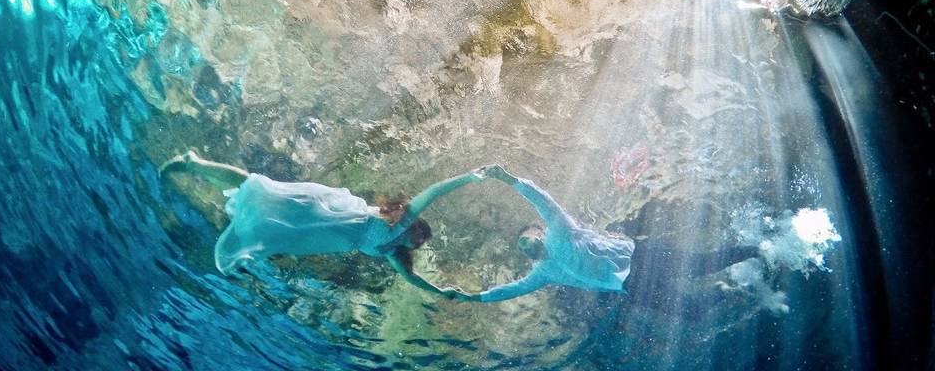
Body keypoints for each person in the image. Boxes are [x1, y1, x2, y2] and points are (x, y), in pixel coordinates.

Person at [160, 151, 483, 297]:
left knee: (267, 225)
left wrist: (444, 292)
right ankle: (195, 164)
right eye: (420, 234)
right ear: (414, 226)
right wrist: (471, 177)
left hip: (318, 236)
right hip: (324, 209)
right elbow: (435, 190)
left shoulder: (392, 253)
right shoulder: (399, 221)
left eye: (421, 241)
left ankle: (199, 170)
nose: (420, 241)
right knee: (259, 190)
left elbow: (413, 281)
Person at [437, 165, 636, 302]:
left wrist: (506, 177)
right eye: (521, 246)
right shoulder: (543, 273)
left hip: (637, 257)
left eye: (524, 238)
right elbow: (510, 291)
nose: (522, 244)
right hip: (628, 287)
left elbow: (544, 202)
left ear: (540, 231)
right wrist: (471, 297)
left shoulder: (560, 231)